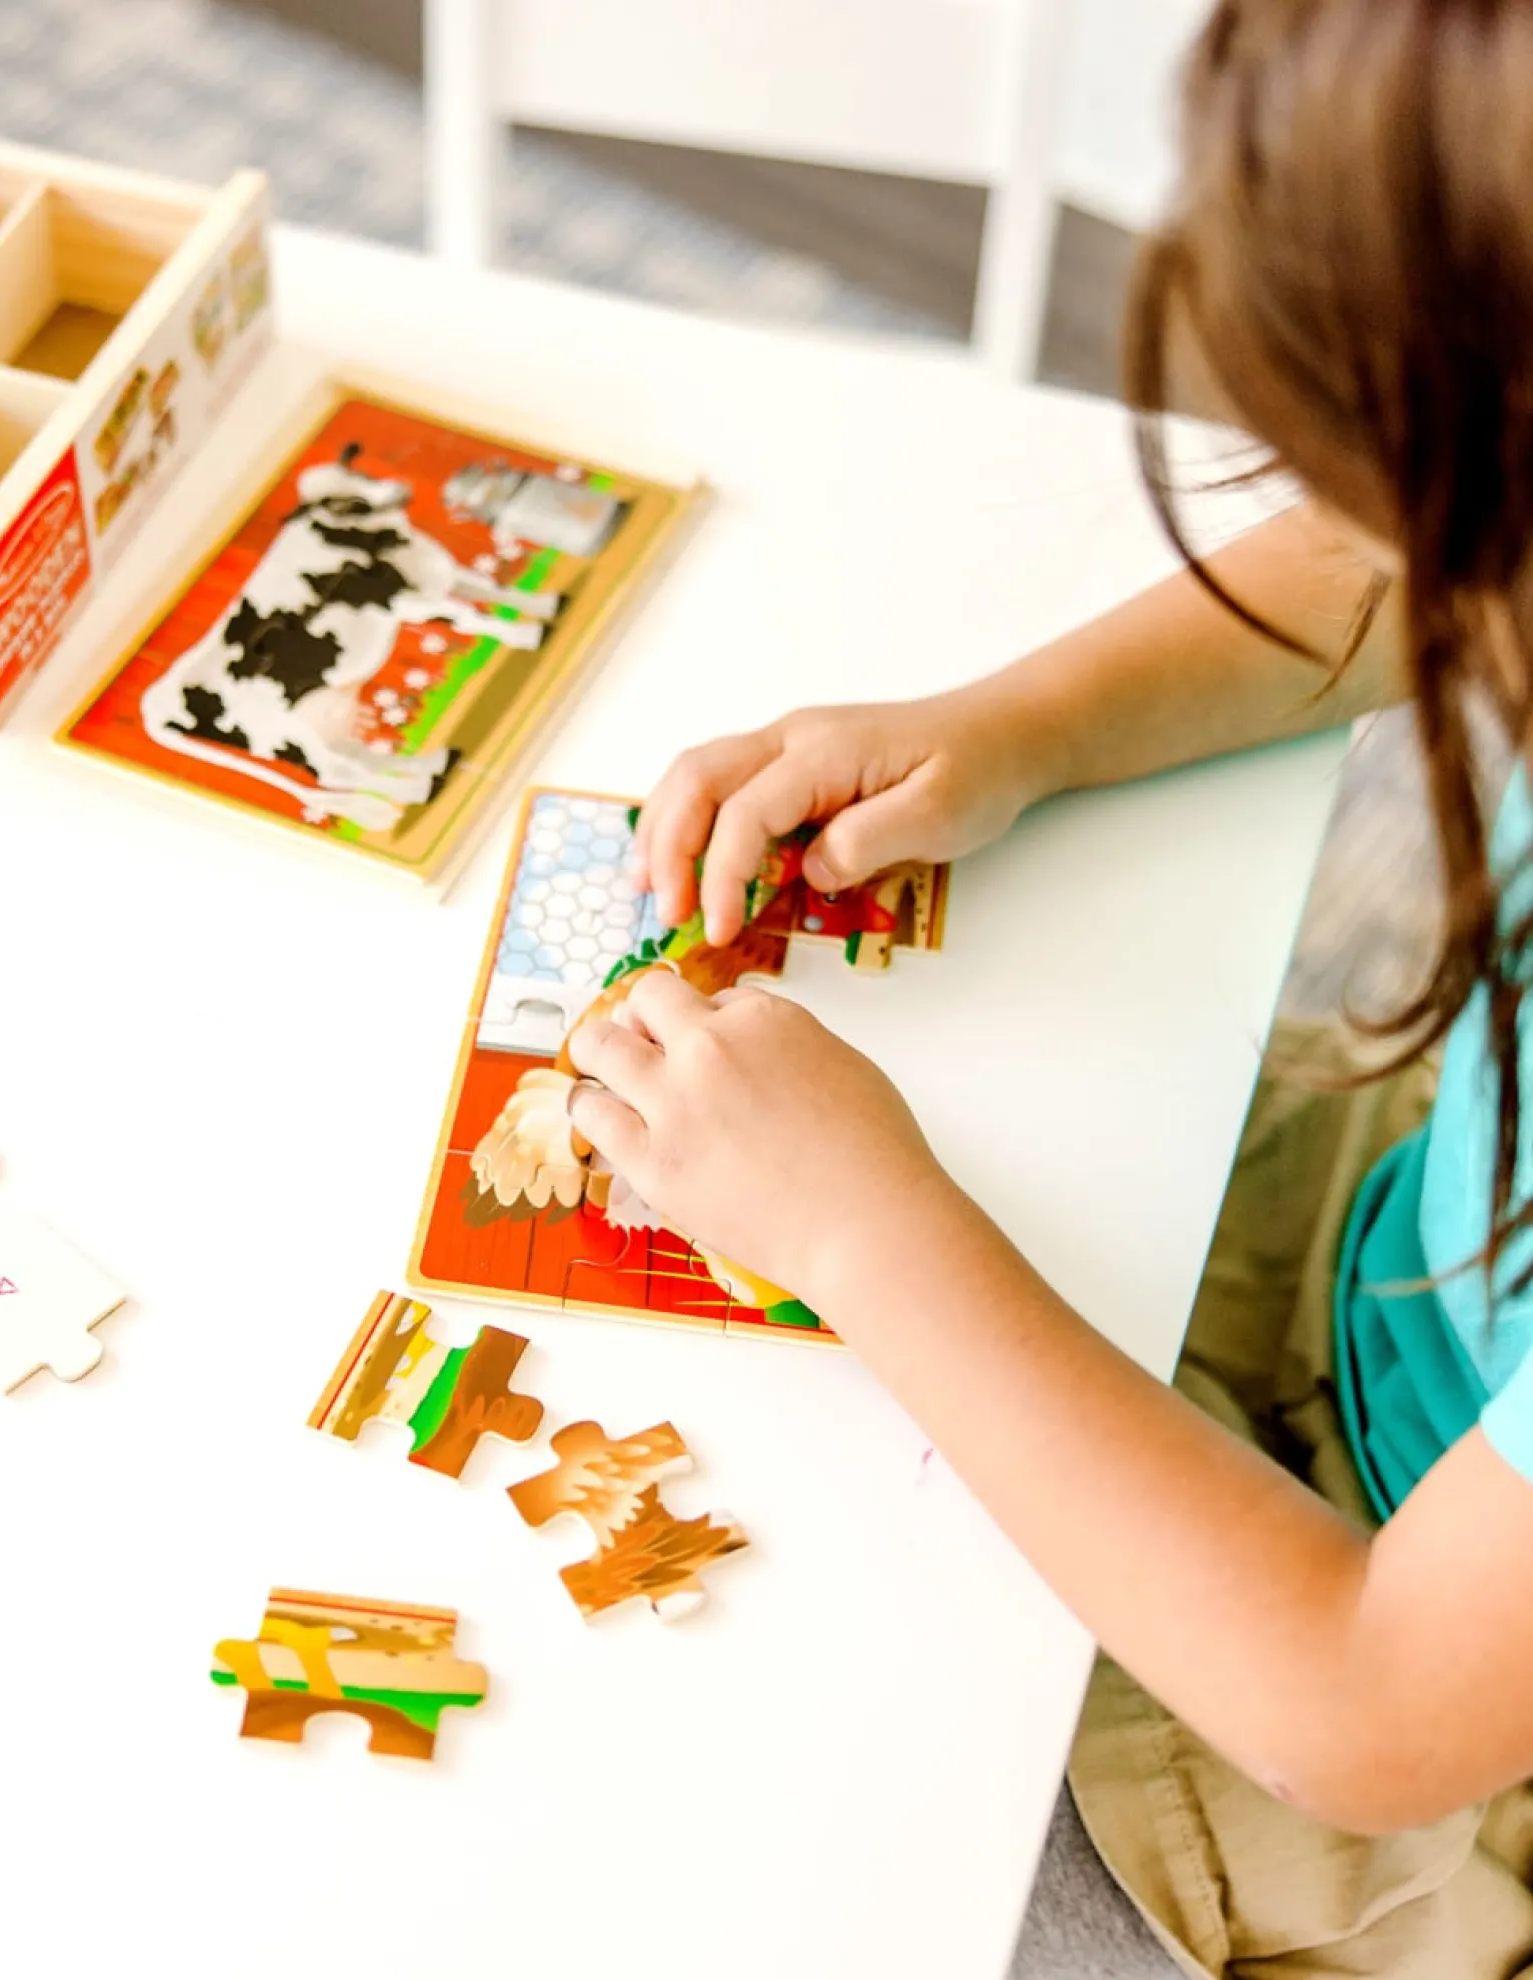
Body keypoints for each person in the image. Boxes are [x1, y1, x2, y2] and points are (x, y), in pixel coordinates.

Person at [564, 4, 1533, 1975]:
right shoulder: (1470, 529)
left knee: (808, 1822)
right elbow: (1380, 575)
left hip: (1431, 1735)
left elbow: (1365, 1710)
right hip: (1403, 1268)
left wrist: (863, 1223)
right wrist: (1017, 729)